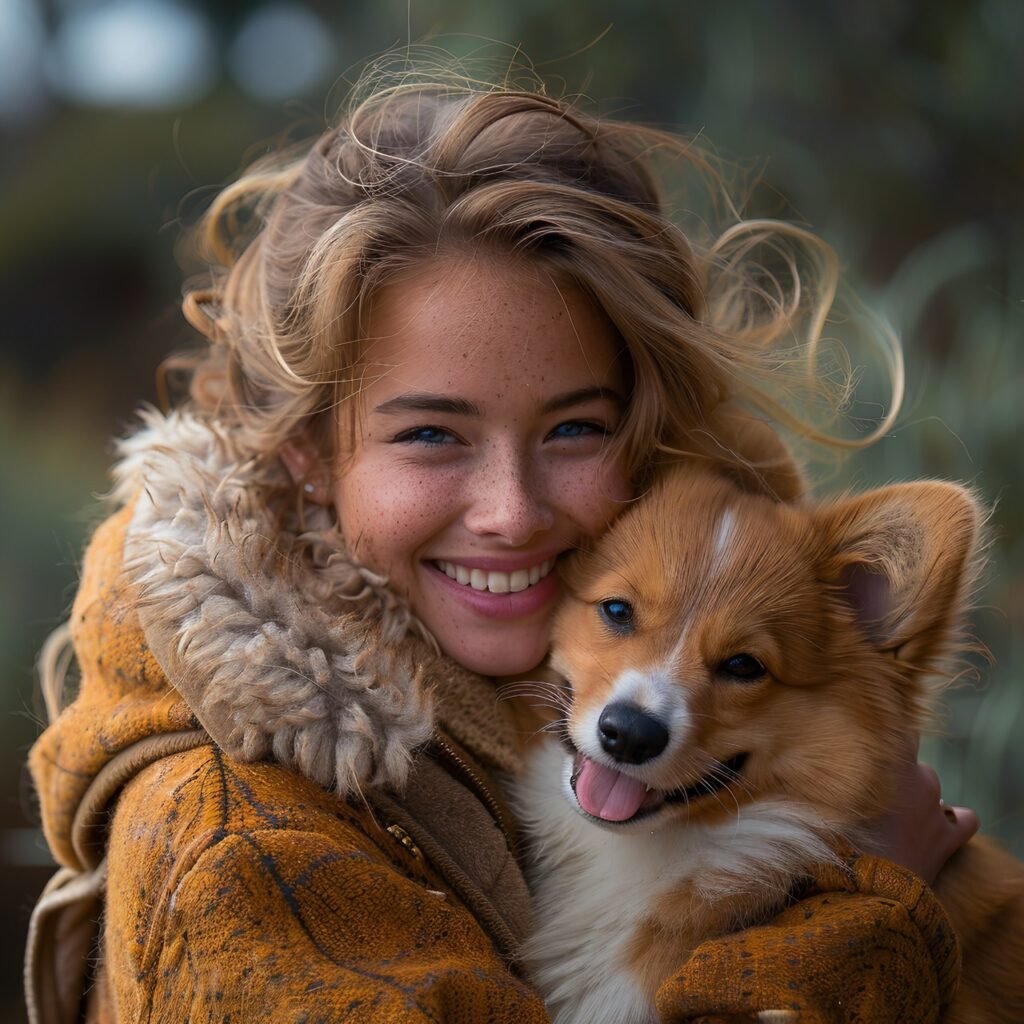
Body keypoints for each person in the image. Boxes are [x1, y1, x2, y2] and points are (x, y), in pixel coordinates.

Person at [26, 66, 978, 1023]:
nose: (512, 513)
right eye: (432, 434)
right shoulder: (243, 847)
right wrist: (871, 908)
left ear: (647, 429)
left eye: (574, 429)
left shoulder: (498, 698)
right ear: (309, 450)